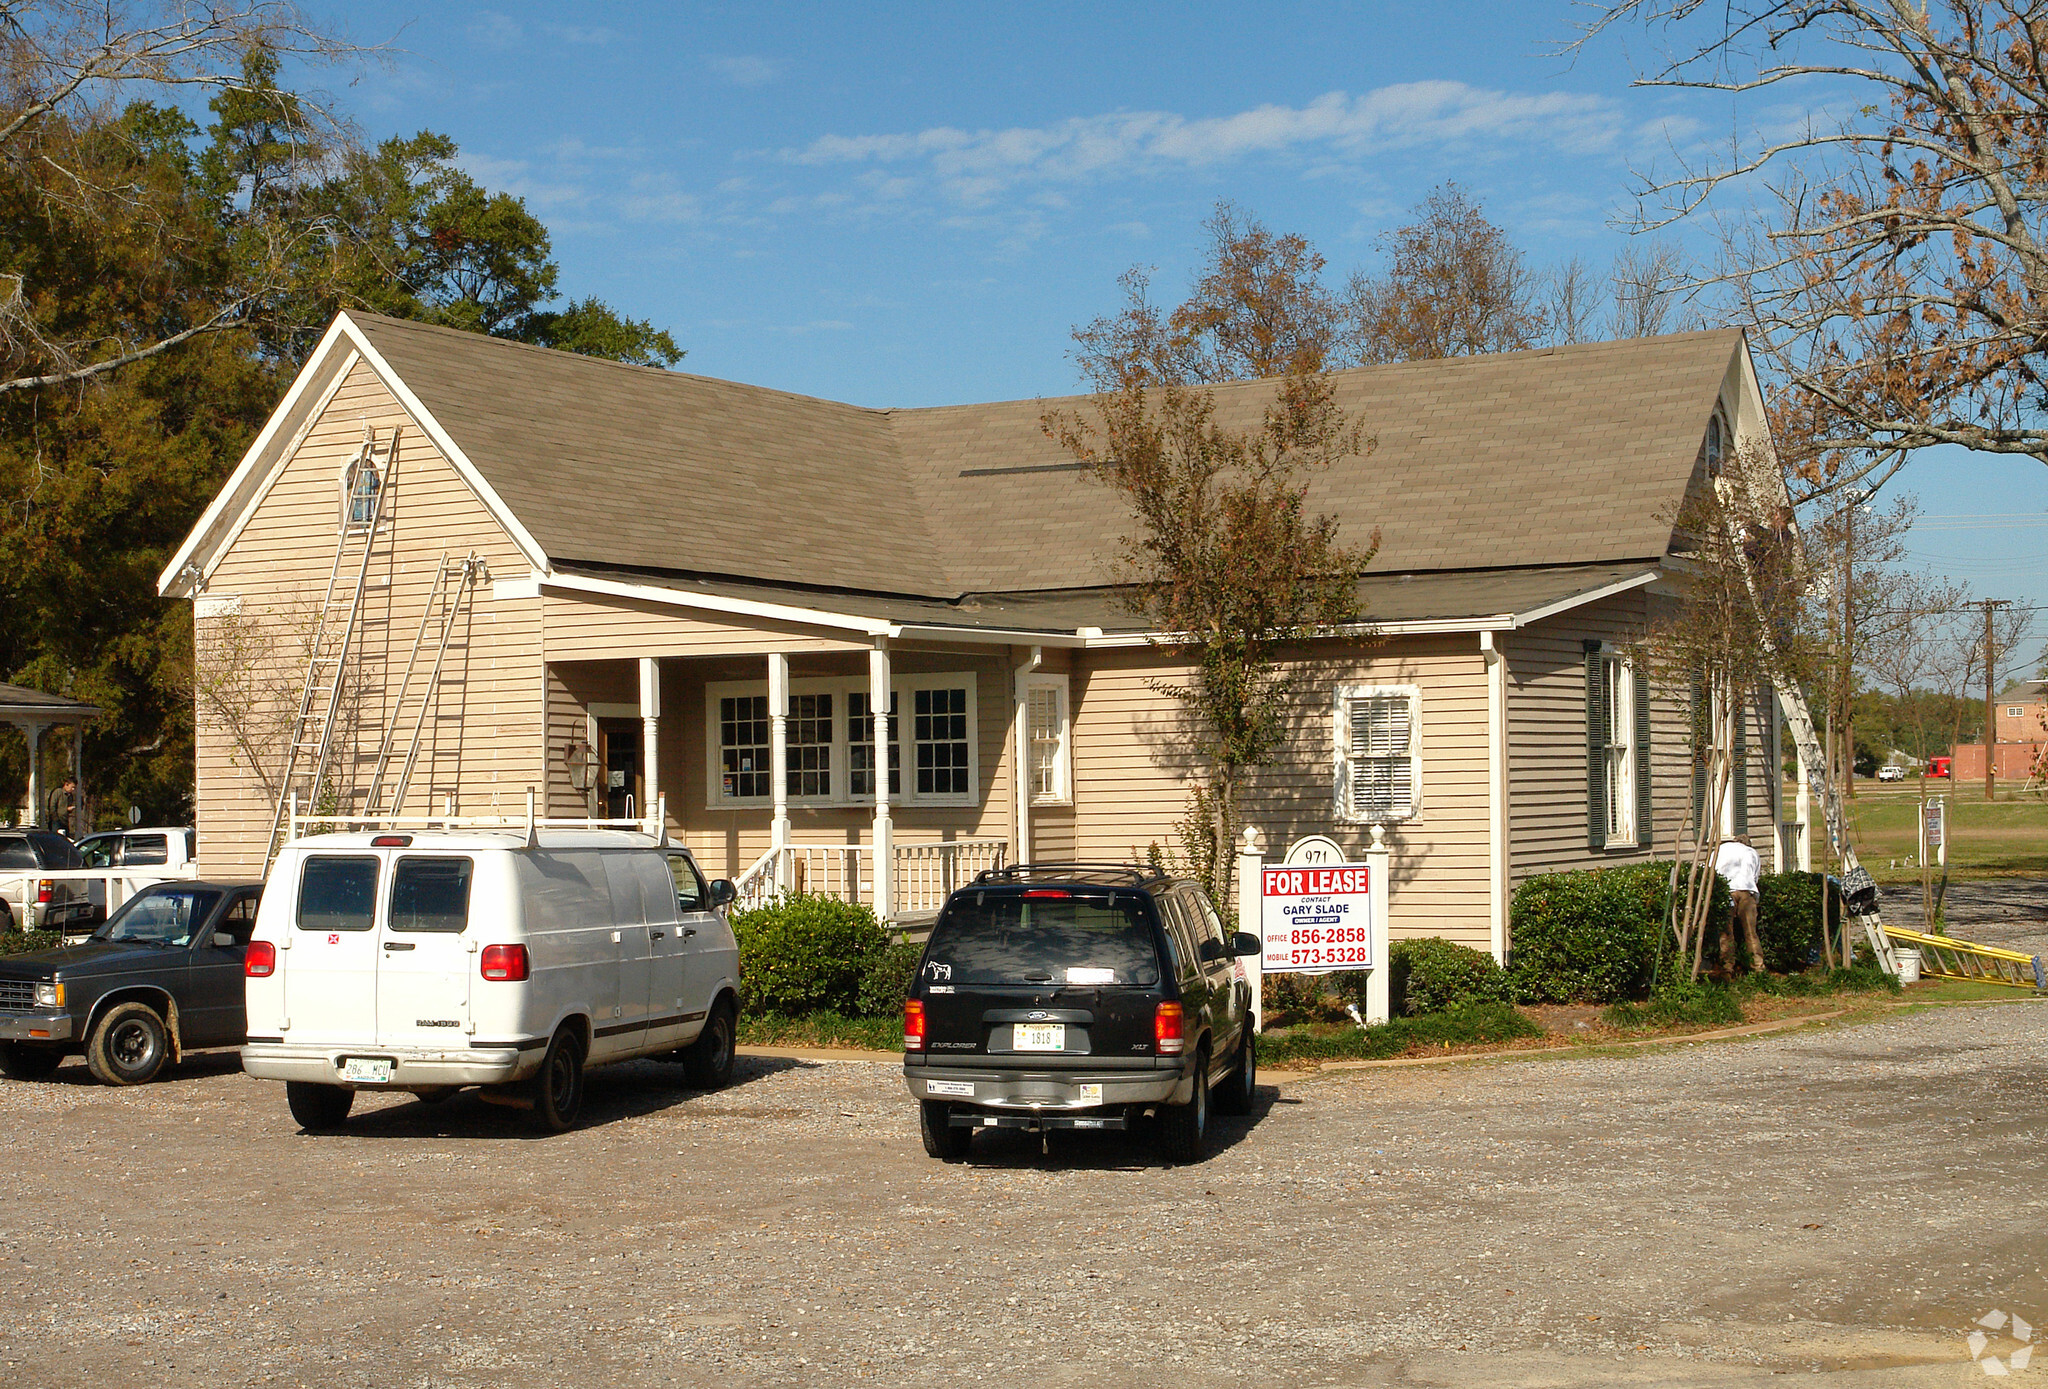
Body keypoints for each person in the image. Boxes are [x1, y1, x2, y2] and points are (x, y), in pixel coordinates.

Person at [1713, 835, 1765, 976]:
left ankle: (1727, 967)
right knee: (1750, 932)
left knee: (1726, 932)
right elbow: (1755, 877)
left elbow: (1712, 870)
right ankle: (1757, 966)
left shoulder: (1721, 849)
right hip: (1746, 891)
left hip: (1726, 891)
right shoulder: (1751, 852)